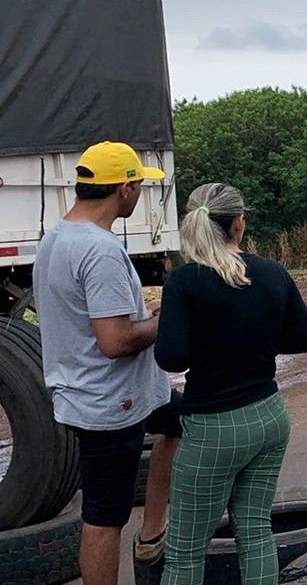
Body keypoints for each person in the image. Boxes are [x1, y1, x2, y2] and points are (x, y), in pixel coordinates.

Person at [153, 183, 307, 584]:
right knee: (256, 530)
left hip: (213, 427)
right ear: (239, 223)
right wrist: (254, 336)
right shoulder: (272, 271)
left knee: (185, 552)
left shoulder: (185, 282)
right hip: (269, 417)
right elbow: (305, 339)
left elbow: (171, 357)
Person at [33, 141, 182, 585]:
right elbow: (115, 342)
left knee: (180, 424)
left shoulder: (55, 237)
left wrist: (146, 315)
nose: (140, 193)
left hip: (107, 391)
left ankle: (153, 533)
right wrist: (170, 319)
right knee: (104, 518)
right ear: (124, 188)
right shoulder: (100, 250)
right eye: (138, 184)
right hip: (108, 403)